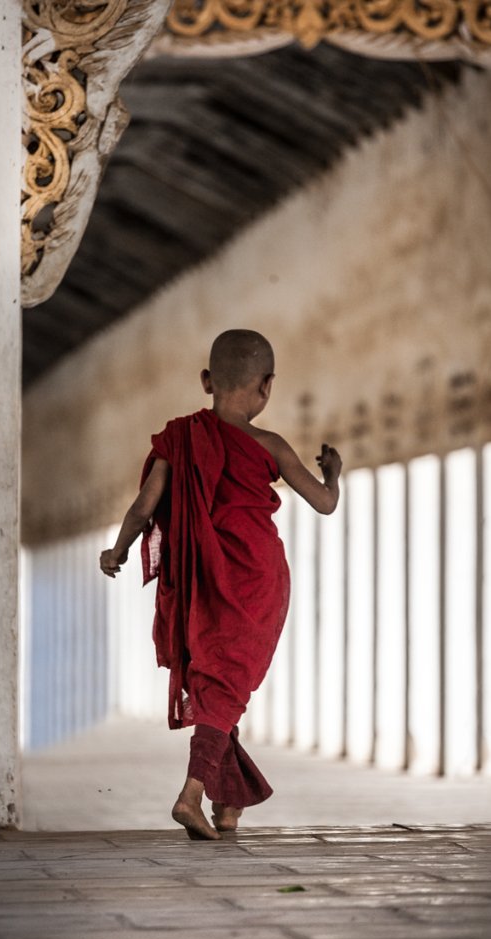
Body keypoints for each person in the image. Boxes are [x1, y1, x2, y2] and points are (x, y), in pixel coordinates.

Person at [100, 329, 342, 840]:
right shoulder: (270, 445)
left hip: (203, 577)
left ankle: (228, 806)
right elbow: (323, 502)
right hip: (257, 578)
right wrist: (334, 473)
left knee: (218, 681)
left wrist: (118, 551)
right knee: (225, 684)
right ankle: (192, 795)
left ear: (207, 381)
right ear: (268, 387)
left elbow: (145, 506)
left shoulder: (180, 438)